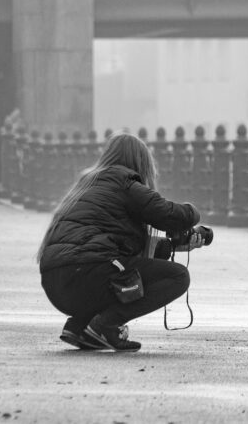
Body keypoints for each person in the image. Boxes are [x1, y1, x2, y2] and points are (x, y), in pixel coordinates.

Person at [37, 132, 205, 352]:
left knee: (120, 271)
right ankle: (106, 325)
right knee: (178, 276)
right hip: (87, 275)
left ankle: (80, 326)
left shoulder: (87, 183)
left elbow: (116, 246)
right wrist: (193, 211)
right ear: (141, 162)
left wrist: (174, 245)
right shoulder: (125, 182)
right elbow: (170, 215)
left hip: (56, 283)